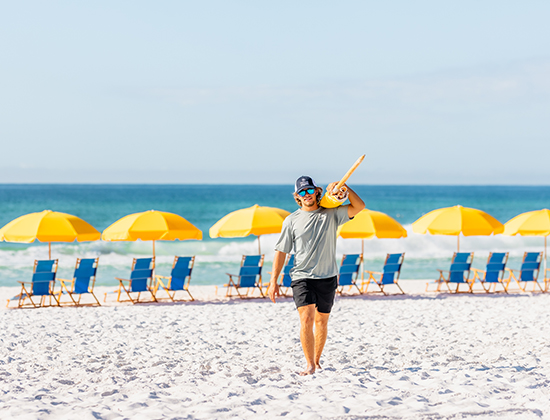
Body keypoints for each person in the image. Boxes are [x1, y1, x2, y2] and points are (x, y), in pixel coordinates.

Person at [267, 176, 365, 376]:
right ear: (297, 197)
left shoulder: (331, 214)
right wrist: (273, 281)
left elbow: (359, 206)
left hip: (327, 276)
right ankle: (310, 364)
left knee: (321, 321)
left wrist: (345, 188)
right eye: (302, 192)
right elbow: (281, 251)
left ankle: (317, 360)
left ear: (317, 191)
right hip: (301, 276)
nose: (307, 195)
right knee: (306, 318)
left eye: (309, 190)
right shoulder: (291, 220)